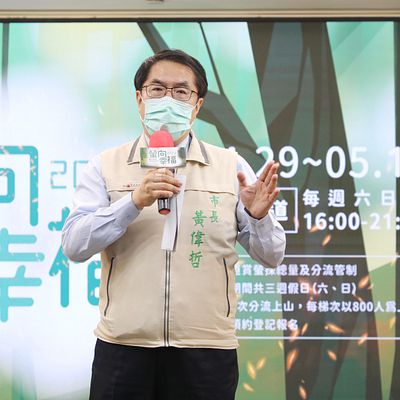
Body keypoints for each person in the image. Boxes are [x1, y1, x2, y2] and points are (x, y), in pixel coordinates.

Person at [62, 49, 286, 400]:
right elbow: (74, 245)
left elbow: (272, 255)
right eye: (157, 89)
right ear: (139, 99)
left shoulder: (231, 167)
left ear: (197, 106)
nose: (168, 100)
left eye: (181, 92)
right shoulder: (105, 165)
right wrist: (134, 201)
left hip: (206, 349)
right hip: (124, 346)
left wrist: (258, 217)